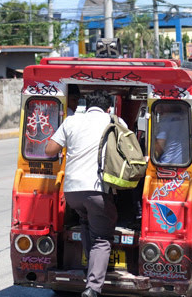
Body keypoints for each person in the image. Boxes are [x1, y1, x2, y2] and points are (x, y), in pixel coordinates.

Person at [45, 90, 118, 297]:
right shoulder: (113, 120)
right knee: (102, 238)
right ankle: (93, 288)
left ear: (86, 106)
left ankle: (91, 271)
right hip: (97, 189)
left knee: (86, 224)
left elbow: (50, 150)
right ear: (108, 107)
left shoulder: (71, 121)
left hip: (72, 191)